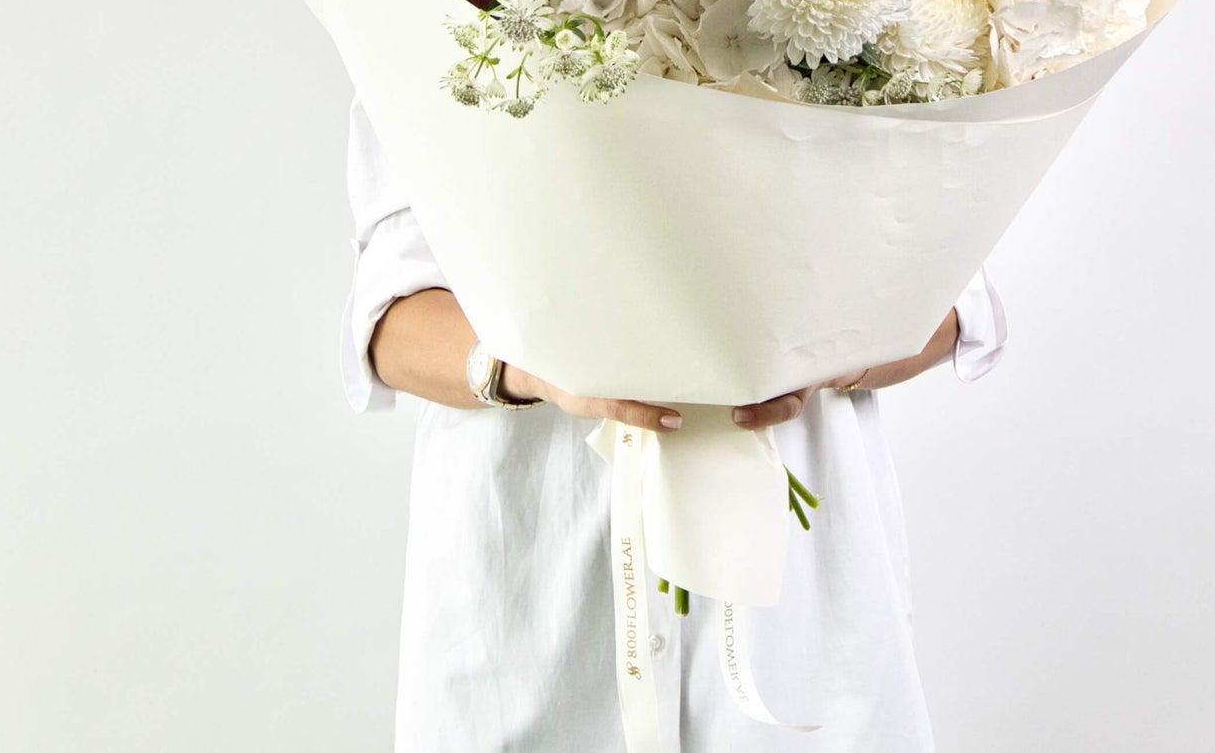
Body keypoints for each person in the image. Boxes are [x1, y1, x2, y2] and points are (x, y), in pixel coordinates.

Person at [342, 97, 1007, 752]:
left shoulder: (864, 14)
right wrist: (537, 367)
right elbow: (391, 321)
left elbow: (954, 299)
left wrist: (826, 346)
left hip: (798, 598)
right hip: (535, 582)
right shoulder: (443, 25)